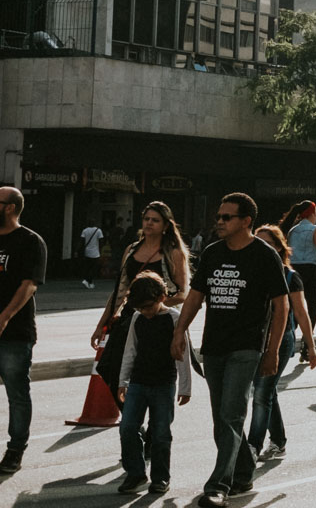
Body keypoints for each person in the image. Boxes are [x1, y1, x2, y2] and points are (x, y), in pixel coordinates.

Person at [170, 192, 288, 508]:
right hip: (214, 347)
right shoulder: (211, 253)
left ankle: (218, 485)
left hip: (247, 347)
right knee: (220, 418)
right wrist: (180, 330)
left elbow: (281, 306)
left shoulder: (265, 256)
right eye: (218, 217)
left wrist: (272, 350)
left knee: (231, 414)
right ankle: (244, 471)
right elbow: (195, 297)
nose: (219, 222)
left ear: (246, 221)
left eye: (226, 217)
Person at [92, 200, 190, 404]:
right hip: (130, 316)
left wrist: (158, 307)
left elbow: (183, 293)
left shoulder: (173, 252)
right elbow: (119, 290)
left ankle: (155, 423)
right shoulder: (132, 250)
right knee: (107, 366)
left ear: (165, 225)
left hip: (161, 318)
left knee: (153, 372)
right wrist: (102, 323)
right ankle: (130, 415)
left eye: (155, 220)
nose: (149, 223)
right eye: (146, 219)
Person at [246, 225, 316, 460]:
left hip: (281, 339)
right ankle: (278, 441)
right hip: (255, 338)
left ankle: (252, 446)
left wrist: (310, 347)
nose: (259, 247)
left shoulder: (290, 276)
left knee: (261, 392)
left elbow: (301, 312)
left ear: (278, 247)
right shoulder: (250, 272)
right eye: (256, 242)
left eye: (266, 243)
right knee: (266, 392)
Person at [115, 271, 191, 495]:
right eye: (140, 308)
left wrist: (185, 387)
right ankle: (136, 473)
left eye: (148, 307)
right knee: (128, 427)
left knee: (160, 433)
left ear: (161, 297)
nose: (145, 313)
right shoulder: (138, 318)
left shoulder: (174, 318)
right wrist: (123, 381)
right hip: (138, 383)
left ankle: (160, 478)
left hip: (163, 384)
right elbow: (130, 350)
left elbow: (183, 355)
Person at [0, 186, 46, 474]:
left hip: (14, 332)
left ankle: (15, 449)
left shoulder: (31, 241)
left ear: (10, 208)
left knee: (17, 392)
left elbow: (29, 284)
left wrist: (4, 316)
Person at [280, 201, 316, 327]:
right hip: (310, 268)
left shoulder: (292, 230)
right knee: (312, 306)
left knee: (293, 305)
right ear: (312, 213)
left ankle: (291, 332)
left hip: (294, 268)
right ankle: (308, 342)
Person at [80, 220, 105, 289]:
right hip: (95, 252)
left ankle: (88, 281)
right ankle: (88, 281)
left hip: (87, 251)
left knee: (87, 267)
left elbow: (82, 241)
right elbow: (101, 241)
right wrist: (100, 250)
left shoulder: (84, 231)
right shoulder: (98, 230)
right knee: (93, 268)